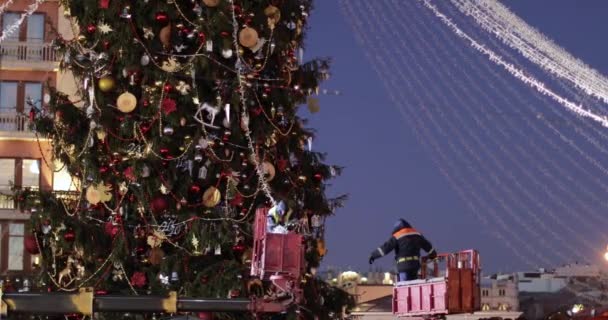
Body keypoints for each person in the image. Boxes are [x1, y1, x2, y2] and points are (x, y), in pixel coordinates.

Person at [368, 219, 437, 282]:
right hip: (415, 266)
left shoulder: (397, 236)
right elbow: (427, 246)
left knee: (404, 287)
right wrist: (433, 254)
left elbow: (385, 249)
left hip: (403, 267)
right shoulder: (417, 234)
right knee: (413, 286)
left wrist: (373, 255)